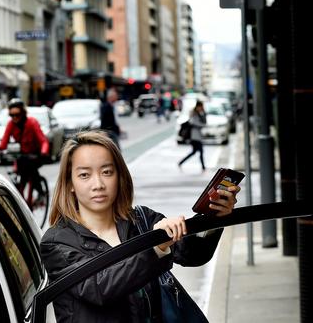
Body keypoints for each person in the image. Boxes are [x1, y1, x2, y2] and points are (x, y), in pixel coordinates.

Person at [41, 130, 240, 322]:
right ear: (70, 184)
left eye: (107, 172)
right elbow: (99, 287)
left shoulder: (142, 220)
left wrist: (215, 217)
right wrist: (156, 249)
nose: (98, 184)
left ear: (119, 177)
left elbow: (194, 254)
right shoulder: (56, 242)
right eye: (85, 175)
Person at [0, 99, 50, 195]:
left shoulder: (32, 122)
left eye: (17, 114)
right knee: (17, 178)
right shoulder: (11, 124)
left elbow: (43, 141)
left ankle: (41, 193)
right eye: (12, 115)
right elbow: (4, 141)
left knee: (32, 172)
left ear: (23, 113)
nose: (14, 117)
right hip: (21, 156)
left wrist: (44, 152)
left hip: (35, 155)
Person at [178, 100, 207, 171]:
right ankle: (203, 167)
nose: (201, 108)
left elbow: (205, 121)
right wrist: (202, 124)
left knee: (194, 152)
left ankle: (181, 162)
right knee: (200, 151)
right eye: (200, 106)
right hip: (194, 136)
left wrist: (203, 113)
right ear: (197, 106)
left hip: (197, 136)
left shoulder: (200, 113)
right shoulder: (194, 113)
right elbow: (195, 123)